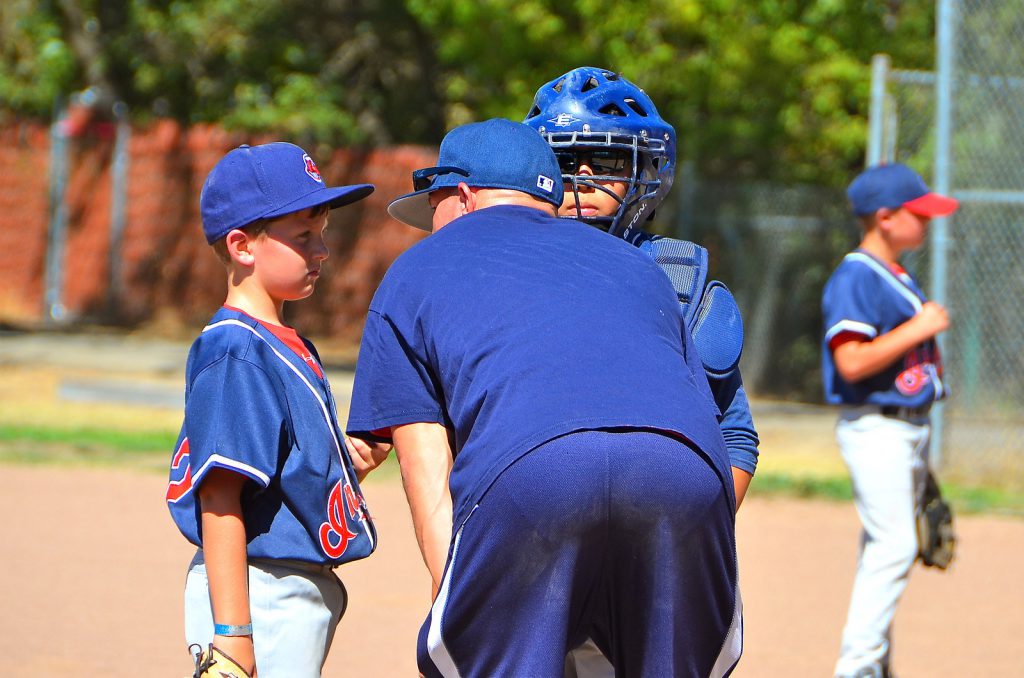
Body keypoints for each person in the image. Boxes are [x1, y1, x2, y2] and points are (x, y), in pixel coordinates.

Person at [347, 118, 742, 677]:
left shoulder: (413, 272)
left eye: (431, 208)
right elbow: (705, 417)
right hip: (687, 474)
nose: (429, 229)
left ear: (460, 195)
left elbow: (429, 474)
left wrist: (457, 602)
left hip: (535, 472)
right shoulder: (636, 265)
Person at [522, 66, 759, 677]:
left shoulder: (677, 282)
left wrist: (674, 533)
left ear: (642, 169)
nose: (583, 180)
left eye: (604, 160)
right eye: (564, 161)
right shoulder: (506, 272)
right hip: (531, 549)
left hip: (650, 560)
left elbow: (735, 436)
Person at [165, 142, 390, 677]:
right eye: (303, 236)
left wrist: (344, 460)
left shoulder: (281, 341)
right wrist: (233, 636)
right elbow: (220, 494)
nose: (322, 251)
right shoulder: (235, 348)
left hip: (283, 588)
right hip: (255, 591)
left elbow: (279, 470)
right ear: (243, 246)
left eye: (324, 233)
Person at [821, 162, 958, 678]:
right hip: (876, 427)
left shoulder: (897, 271)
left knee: (882, 544)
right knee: (895, 544)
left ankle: (874, 665)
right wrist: (920, 327)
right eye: (918, 214)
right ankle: (856, 668)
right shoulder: (856, 275)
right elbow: (851, 361)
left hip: (905, 428)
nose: (926, 223)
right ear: (884, 216)